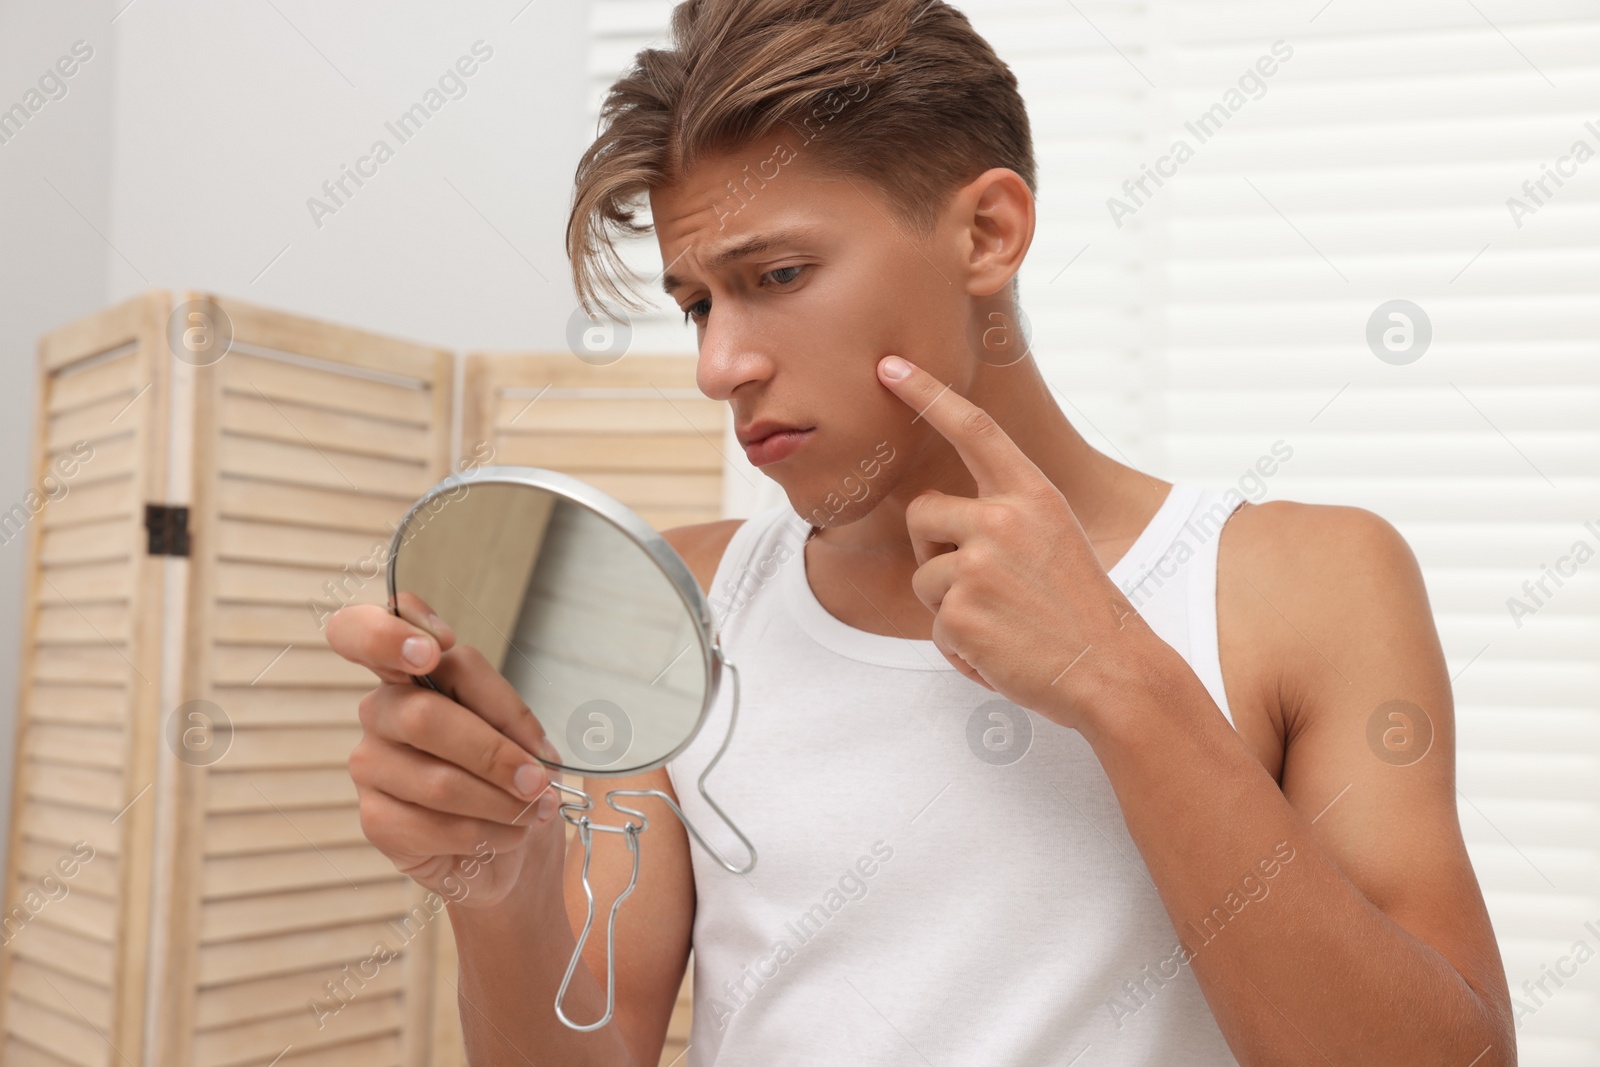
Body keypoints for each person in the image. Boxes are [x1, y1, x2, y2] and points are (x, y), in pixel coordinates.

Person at [326, 1, 1515, 1063]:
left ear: (987, 235)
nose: (717, 364)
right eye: (697, 302)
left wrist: (1118, 678)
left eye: (777, 273)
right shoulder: (679, 605)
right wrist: (498, 884)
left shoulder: (1306, 581)